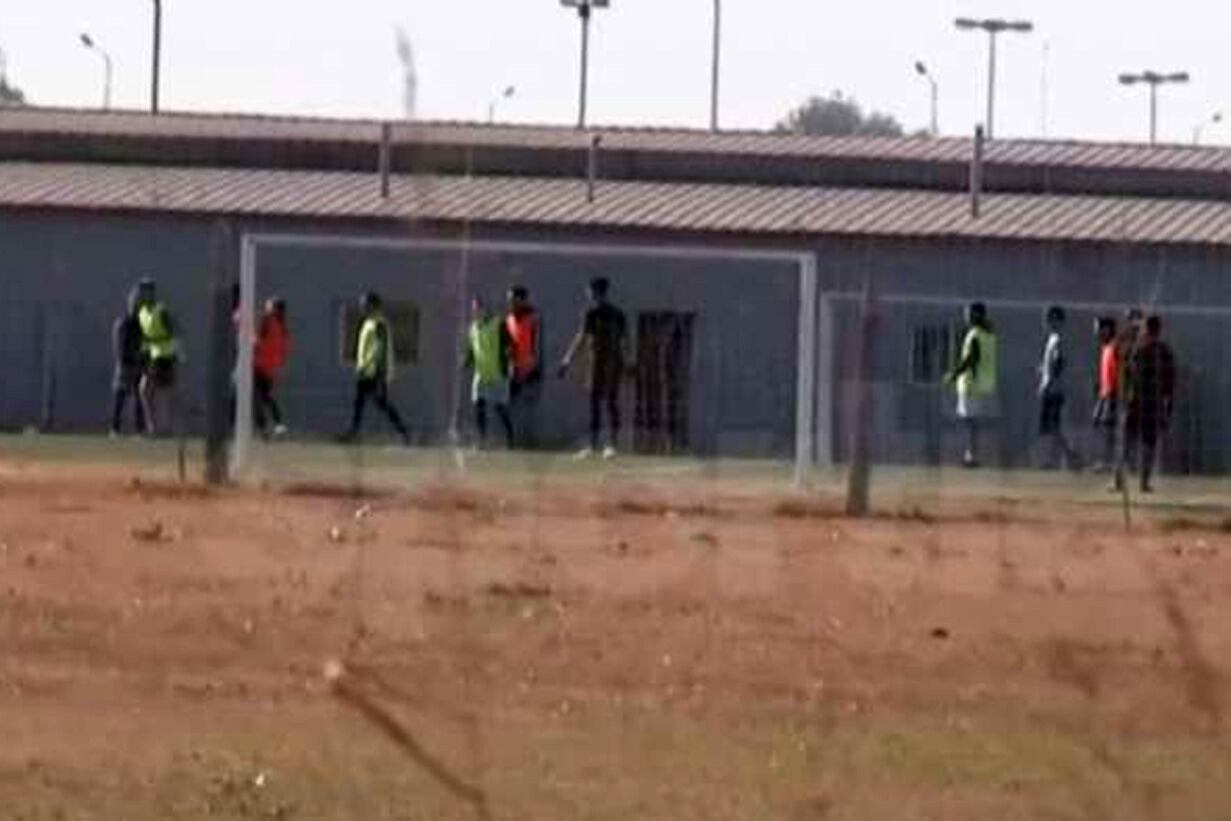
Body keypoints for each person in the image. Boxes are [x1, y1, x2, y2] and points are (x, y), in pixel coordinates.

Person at [559, 277, 628, 460]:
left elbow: (624, 341)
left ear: (597, 292)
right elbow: (582, 337)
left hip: (612, 362)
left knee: (611, 403)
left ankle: (612, 446)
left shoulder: (617, 314)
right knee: (594, 403)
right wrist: (567, 359)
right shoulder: (590, 313)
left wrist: (627, 363)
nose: (588, 294)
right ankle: (592, 446)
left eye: (590, 291)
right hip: (595, 362)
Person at [1115, 315, 1175, 494]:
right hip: (1151, 403)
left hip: (1138, 402)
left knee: (1130, 443)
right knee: (1146, 444)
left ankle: (1122, 480)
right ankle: (1142, 482)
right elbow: (1170, 383)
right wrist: (1167, 406)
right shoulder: (1161, 351)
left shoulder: (1140, 350)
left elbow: (1124, 366)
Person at [342, 291, 410, 444]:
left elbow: (379, 348)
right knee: (359, 402)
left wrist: (368, 366)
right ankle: (353, 432)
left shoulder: (379, 324)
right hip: (366, 371)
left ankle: (403, 431)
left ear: (373, 305)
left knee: (381, 403)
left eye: (365, 304)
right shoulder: (368, 323)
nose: (362, 307)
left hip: (376, 371)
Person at [945, 301, 997, 468]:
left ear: (977, 314)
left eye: (968, 313)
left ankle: (971, 455)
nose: (966, 316)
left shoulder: (975, 334)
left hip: (971, 383)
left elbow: (971, 358)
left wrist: (954, 374)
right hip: (983, 383)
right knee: (972, 421)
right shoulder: (989, 334)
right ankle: (971, 454)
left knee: (970, 421)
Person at [464, 296, 514, 449]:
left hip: (498, 373)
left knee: (500, 408)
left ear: (486, 309)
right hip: (481, 374)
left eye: (479, 308)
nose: (476, 311)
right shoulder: (473, 328)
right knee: (479, 405)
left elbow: (510, 345)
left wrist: (510, 364)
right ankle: (482, 440)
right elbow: (472, 349)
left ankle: (510, 438)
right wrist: (466, 362)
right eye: (474, 309)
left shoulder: (498, 324)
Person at [1037, 306, 1081, 470]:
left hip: (1054, 390)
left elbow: (1059, 362)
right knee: (1050, 427)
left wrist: (1048, 382)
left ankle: (1069, 456)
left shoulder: (1058, 339)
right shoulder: (1052, 338)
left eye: (1049, 319)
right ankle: (1055, 458)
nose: (1046, 322)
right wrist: (1043, 369)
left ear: (1056, 320)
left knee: (1053, 425)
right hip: (1052, 387)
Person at [136, 278, 181, 437]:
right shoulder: (142, 313)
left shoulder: (160, 310)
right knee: (148, 391)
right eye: (142, 290)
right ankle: (157, 428)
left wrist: (177, 353)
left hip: (164, 355)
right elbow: (147, 335)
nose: (144, 294)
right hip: (153, 356)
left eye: (148, 290)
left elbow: (172, 331)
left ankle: (161, 428)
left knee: (158, 391)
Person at [505, 284, 543, 447]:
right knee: (509, 405)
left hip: (530, 369)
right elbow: (510, 343)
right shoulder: (509, 318)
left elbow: (537, 344)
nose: (510, 302)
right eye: (509, 299)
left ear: (522, 299)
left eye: (513, 299)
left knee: (529, 407)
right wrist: (510, 363)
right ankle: (513, 440)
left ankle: (529, 441)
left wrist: (531, 366)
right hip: (514, 369)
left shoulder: (533, 318)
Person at [109, 285, 148, 437]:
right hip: (126, 366)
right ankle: (115, 429)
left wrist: (143, 361)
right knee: (120, 396)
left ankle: (140, 430)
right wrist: (125, 361)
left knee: (140, 398)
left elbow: (145, 344)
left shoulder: (143, 325)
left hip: (138, 366)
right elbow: (120, 346)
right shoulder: (123, 324)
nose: (137, 307)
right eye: (135, 303)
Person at [253, 298, 290, 438]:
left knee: (256, 398)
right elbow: (284, 349)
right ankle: (279, 424)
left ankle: (263, 429)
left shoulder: (267, 321)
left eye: (268, 306)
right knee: (266, 396)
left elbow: (257, 340)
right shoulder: (283, 327)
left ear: (273, 308)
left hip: (257, 364)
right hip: (270, 368)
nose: (266, 308)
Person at [1091, 317, 1119, 471]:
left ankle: (1113, 463)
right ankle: (1106, 461)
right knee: (1104, 428)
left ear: (1106, 329)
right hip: (1106, 395)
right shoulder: (1105, 348)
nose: (1096, 333)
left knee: (1111, 431)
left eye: (1098, 329)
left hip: (1114, 395)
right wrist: (1100, 402)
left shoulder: (1115, 348)